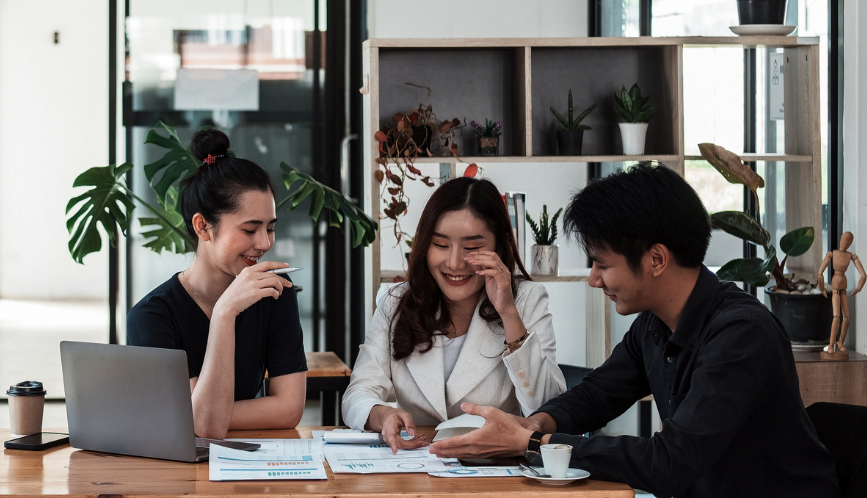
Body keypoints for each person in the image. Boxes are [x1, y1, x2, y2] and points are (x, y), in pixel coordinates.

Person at [428, 164, 839, 498]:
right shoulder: (655, 324)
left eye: (602, 265)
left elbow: (670, 463)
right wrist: (536, 424)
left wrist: (530, 446)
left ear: (656, 259)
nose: (593, 280)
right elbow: (595, 395)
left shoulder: (742, 335)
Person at [342, 176, 566, 452]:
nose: (454, 262)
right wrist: (382, 414)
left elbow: (548, 407)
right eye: (441, 244)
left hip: (497, 469)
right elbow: (358, 394)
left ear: (500, 246)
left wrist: (508, 313)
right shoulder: (396, 301)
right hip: (418, 468)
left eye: (472, 248)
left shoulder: (526, 300)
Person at [126, 129, 307, 440]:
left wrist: (204, 414)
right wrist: (225, 312)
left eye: (270, 228)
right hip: (169, 473)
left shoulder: (274, 290)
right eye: (250, 230)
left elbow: (289, 409)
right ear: (203, 227)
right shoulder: (152, 317)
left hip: (247, 465)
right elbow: (204, 426)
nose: (264, 243)